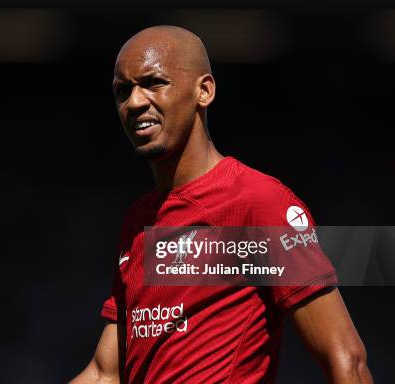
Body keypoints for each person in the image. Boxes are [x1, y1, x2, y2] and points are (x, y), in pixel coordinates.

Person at [71, 26, 372, 383]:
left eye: (154, 83)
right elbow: (106, 374)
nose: (134, 102)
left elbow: (346, 360)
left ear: (204, 91)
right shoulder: (138, 221)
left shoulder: (259, 203)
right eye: (123, 90)